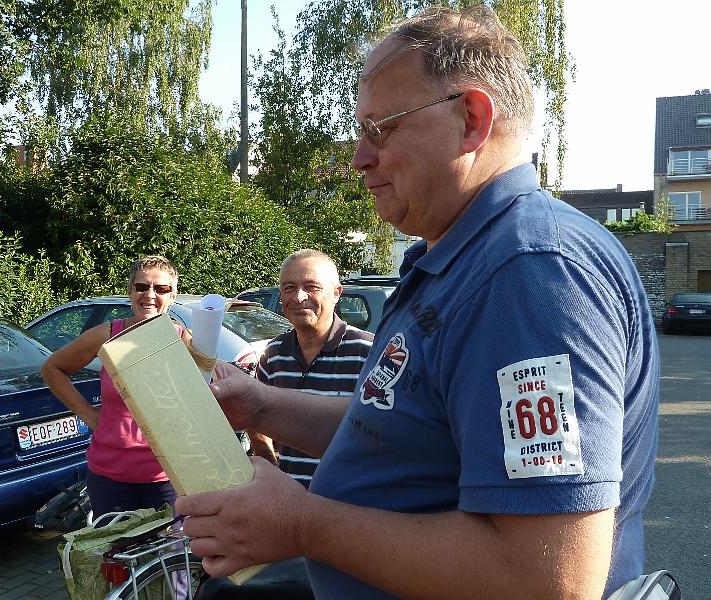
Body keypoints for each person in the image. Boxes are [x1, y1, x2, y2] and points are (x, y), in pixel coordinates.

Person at [176, 6, 659, 600]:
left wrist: (302, 525)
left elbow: (546, 579)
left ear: (472, 119)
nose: (358, 158)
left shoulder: (529, 275)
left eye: (381, 128)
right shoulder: (459, 260)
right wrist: (261, 406)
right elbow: (401, 430)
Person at [41, 255, 186, 518]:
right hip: (111, 477)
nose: (150, 295)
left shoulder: (183, 340)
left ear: (173, 296)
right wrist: (88, 415)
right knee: (116, 555)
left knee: (168, 556)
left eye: (161, 289)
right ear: (130, 291)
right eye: (142, 287)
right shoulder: (108, 335)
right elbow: (53, 369)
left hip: (167, 477)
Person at [249, 249, 374, 487]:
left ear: (336, 293)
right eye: (288, 288)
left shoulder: (369, 351)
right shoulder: (273, 354)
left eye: (311, 287)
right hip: (289, 504)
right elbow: (255, 416)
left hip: (348, 505)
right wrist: (267, 460)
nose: (298, 297)